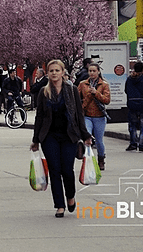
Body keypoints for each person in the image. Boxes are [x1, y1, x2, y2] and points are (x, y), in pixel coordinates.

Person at [31, 59, 92, 218]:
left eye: (57, 70)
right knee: (54, 170)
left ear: (63, 72)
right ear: (48, 74)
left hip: (68, 135)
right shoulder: (44, 92)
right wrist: (36, 139)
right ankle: (59, 205)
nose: (54, 73)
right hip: (49, 136)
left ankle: (70, 196)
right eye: (51, 71)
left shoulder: (71, 90)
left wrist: (85, 135)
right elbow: (39, 117)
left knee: (67, 170)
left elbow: (79, 114)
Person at [78, 63, 110, 170]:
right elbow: (77, 98)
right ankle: (87, 159)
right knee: (87, 138)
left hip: (99, 116)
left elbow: (107, 100)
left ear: (98, 72)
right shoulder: (83, 84)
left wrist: (96, 93)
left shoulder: (104, 85)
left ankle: (101, 159)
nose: (92, 73)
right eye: (90, 71)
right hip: (87, 115)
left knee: (99, 140)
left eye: (94, 71)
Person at [124, 61, 143, 152]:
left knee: (132, 125)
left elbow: (126, 90)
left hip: (132, 103)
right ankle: (142, 144)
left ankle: (133, 143)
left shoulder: (129, 79)